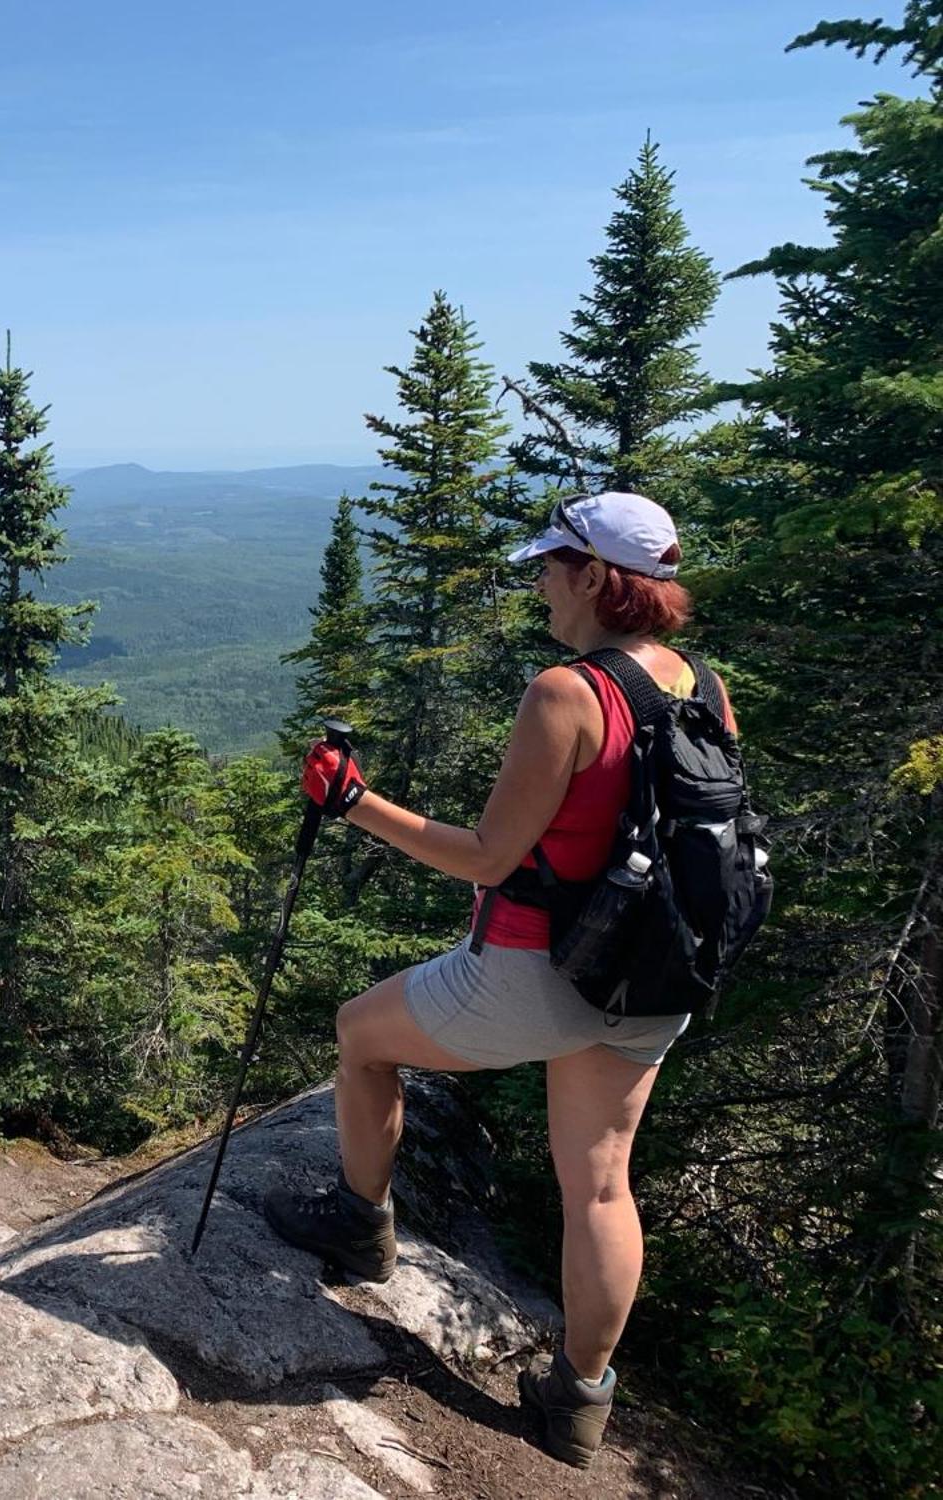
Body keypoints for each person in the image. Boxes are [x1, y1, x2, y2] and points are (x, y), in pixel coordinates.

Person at [263, 491, 734, 1472]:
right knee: (601, 1181)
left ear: (595, 576)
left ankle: (360, 1230)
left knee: (358, 1034)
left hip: (532, 971)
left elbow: (486, 857)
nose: (537, 582)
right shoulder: (703, 685)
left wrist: (352, 801)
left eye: (549, 565)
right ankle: (577, 1402)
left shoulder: (565, 694)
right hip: (652, 972)